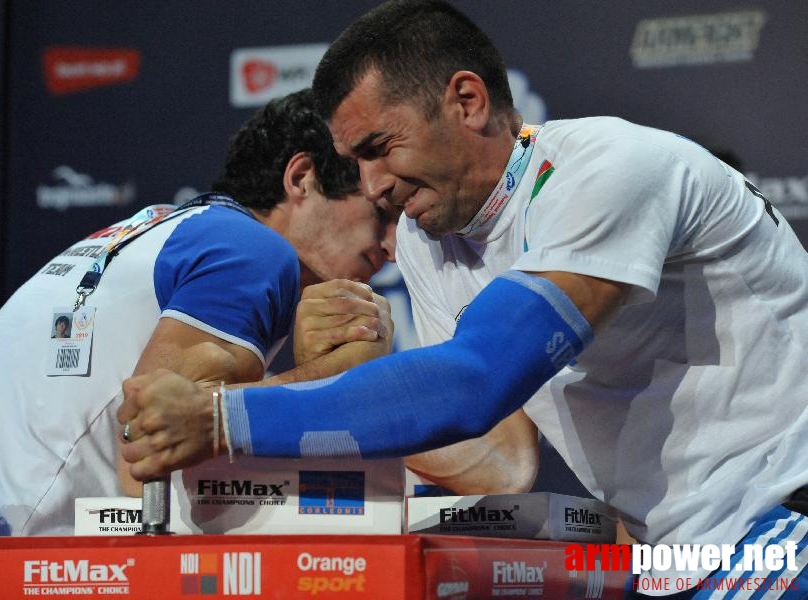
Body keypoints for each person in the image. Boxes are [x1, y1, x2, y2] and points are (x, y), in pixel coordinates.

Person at [117, 1, 808, 596]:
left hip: (784, 517)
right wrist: (347, 367)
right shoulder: (428, 241)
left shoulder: (609, 170)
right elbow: (494, 457)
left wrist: (221, 418)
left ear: (467, 101)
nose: (372, 184)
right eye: (354, 162)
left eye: (379, 147)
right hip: (683, 554)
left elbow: (471, 384)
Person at [0, 88, 398, 538]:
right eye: (382, 211)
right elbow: (147, 461)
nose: (394, 246)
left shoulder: (177, 228)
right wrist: (341, 375)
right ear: (301, 179)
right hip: (7, 563)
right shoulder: (252, 252)